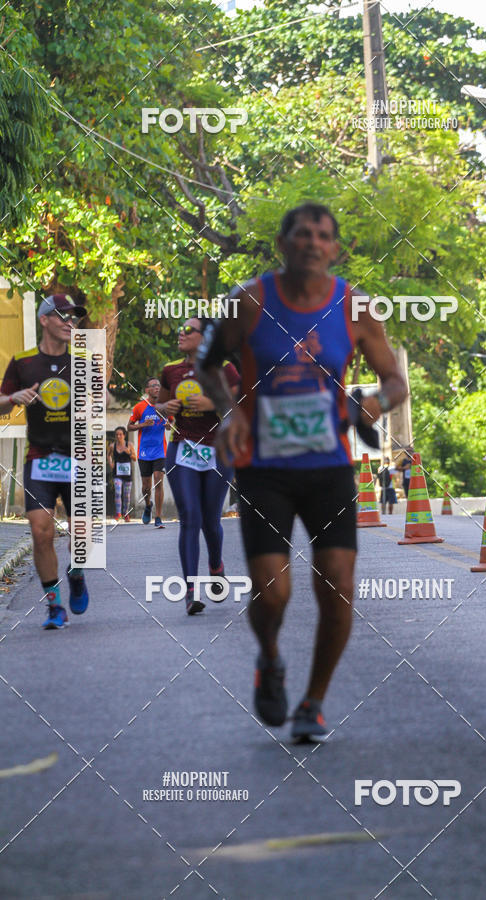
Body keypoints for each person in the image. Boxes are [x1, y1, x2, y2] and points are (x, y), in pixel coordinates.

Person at [196, 202, 407, 741]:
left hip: (329, 468)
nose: (313, 242)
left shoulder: (356, 308)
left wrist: (374, 404)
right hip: (263, 467)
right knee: (273, 595)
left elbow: (394, 379)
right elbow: (208, 364)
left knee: (337, 585)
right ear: (283, 242)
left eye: (323, 235)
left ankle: (313, 701)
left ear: (335, 248)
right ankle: (269, 656)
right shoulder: (248, 301)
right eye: (303, 233)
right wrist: (229, 412)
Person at [0, 293, 89, 629]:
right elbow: (1, 403)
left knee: (84, 535)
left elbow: (101, 398)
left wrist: (103, 394)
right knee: (41, 532)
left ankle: (77, 573)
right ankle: (54, 607)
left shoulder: (82, 359)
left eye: (74, 317)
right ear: (44, 320)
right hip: (39, 459)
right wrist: (13, 397)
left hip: (77, 457)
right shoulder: (23, 362)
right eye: (62, 316)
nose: (70, 322)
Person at [156, 319, 240, 614]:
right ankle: (190, 591)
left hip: (219, 449)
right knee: (190, 516)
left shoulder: (225, 369)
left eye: (189, 329)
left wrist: (214, 403)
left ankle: (216, 565)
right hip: (183, 447)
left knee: (210, 520)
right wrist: (165, 409)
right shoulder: (171, 371)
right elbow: (162, 406)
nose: (181, 332)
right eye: (179, 327)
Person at [128, 377, 170, 528]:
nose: (157, 388)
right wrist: (143, 424)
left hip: (160, 450)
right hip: (144, 452)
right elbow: (129, 427)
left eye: (158, 385)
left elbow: (170, 425)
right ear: (147, 390)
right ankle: (148, 505)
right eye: (153, 386)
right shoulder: (140, 407)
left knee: (158, 480)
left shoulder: (164, 407)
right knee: (146, 486)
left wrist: (168, 425)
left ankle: (158, 517)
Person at [107, 426, 136, 522]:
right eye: (117, 435)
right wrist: (110, 462)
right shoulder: (112, 446)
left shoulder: (129, 445)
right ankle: (118, 513)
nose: (118, 436)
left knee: (126, 495)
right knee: (118, 492)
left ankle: (126, 513)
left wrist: (129, 453)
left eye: (120, 434)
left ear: (124, 435)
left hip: (127, 473)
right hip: (117, 473)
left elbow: (135, 458)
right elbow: (109, 455)